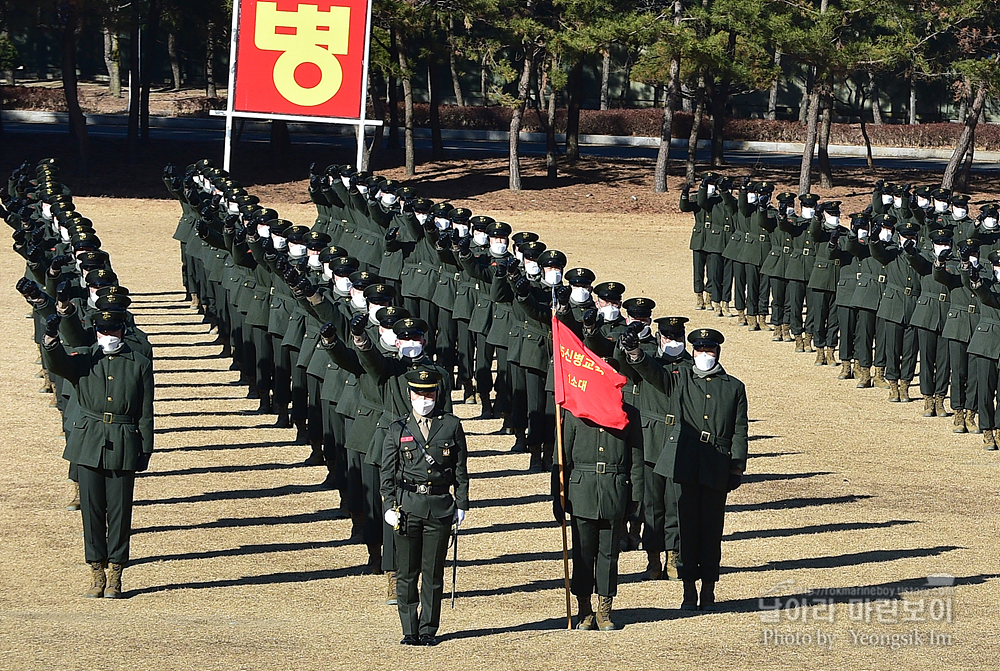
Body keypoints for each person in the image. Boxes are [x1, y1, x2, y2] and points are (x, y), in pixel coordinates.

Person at [621, 327, 748, 611]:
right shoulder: (681, 380)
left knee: (712, 530)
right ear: (693, 352)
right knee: (687, 527)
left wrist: (737, 466)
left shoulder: (733, 386)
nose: (705, 355)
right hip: (686, 461)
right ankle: (689, 590)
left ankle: (709, 589)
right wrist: (635, 353)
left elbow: (740, 428)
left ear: (718, 353)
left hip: (716, 461)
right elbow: (656, 375)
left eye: (710, 351)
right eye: (700, 351)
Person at [40, 309, 154, 598]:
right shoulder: (85, 359)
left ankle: (116, 572)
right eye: (102, 330)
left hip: (124, 442)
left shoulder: (138, 363)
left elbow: (145, 411)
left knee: (119, 512)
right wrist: (51, 338)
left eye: (112, 329)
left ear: (122, 330)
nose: (108, 336)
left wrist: (145, 449)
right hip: (89, 442)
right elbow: (57, 363)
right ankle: (96, 571)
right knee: (91, 512)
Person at [380, 368, 469, 646]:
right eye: (419, 393)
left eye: (429, 392)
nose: (424, 398)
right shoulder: (398, 428)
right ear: (409, 394)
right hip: (408, 508)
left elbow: (461, 470)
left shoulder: (451, 425)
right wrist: (389, 504)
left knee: (433, 573)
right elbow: (387, 473)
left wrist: (462, 503)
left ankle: (429, 628)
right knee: (407, 572)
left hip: (440, 507)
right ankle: (409, 629)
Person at [555, 403, 643, 631]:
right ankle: (584, 608)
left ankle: (605, 608)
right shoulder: (574, 413)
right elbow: (562, 458)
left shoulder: (629, 413)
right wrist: (558, 495)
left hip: (615, 490)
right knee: (583, 554)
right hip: (582, 491)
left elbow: (636, 457)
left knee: (609, 554)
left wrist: (635, 496)